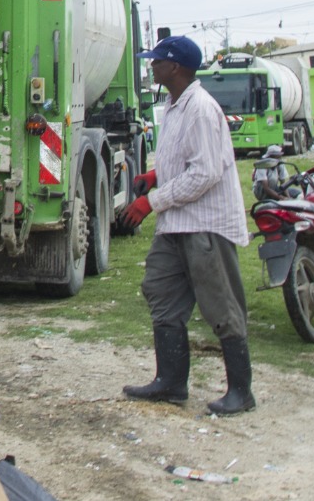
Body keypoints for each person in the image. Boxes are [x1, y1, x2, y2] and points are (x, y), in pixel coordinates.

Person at [119, 34, 254, 416]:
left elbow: (205, 173)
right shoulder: (175, 104)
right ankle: (171, 383)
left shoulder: (201, 109)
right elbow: (185, 161)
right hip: (176, 225)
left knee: (221, 305)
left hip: (204, 225)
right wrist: (156, 174)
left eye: (157, 60)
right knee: (159, 290)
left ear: (175, 67)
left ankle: (241, 392)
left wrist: (151, 201)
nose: (151, 65)